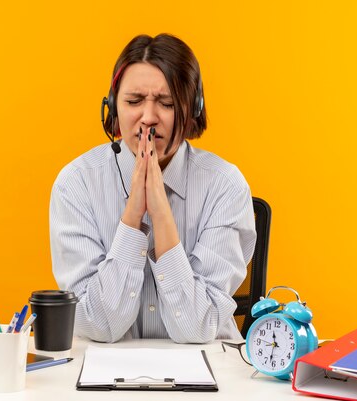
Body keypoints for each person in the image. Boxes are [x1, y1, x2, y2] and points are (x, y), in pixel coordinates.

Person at [50, 33, 256, 344]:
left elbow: (197, 327)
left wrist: (161, 214)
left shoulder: (225, 186)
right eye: (133, 102)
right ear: (113, 109)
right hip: (105, 376)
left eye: (167, 103)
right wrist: (134, 214)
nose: (148, 118)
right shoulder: (76, 184)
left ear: (193, 109)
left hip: (207, 374)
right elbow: (97, 324)